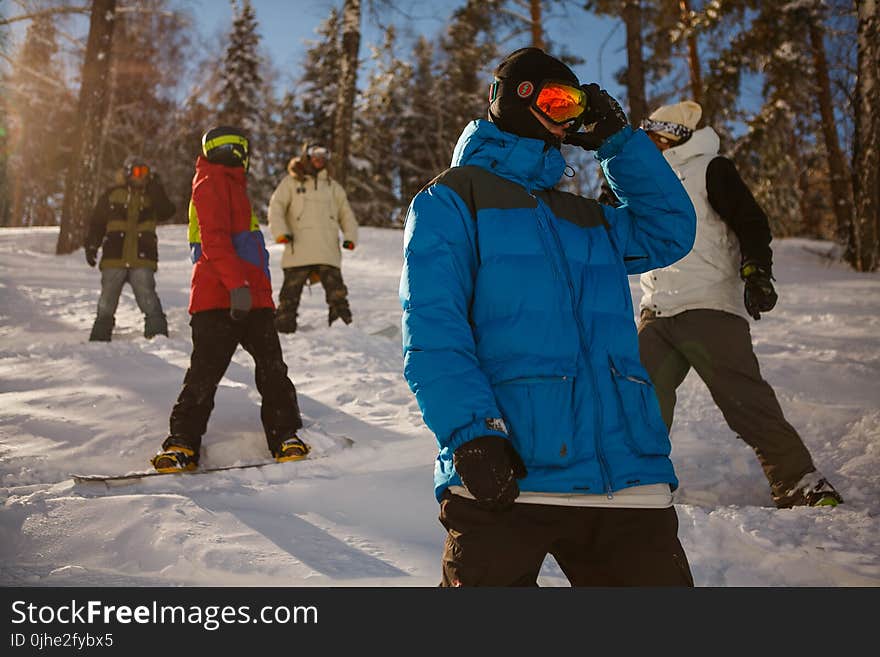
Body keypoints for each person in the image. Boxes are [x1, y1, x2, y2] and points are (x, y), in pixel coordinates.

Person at [399, 47, 698, 587]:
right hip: (508, 475)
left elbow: (670, 231)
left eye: (576, 107)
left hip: (626, 479)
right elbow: (433, 331)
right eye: (556, 101)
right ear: (511, 98)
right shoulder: (452, 198)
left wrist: (618, 143)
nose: (565, 119)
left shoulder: (589, 218)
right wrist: (471, 434)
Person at [636, 101, 844, 508]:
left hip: (707, 304)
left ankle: (800, 480)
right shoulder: (646, 179)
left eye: (653, 136)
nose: (647, 143)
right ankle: (641, 481)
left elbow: (751, 221)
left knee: (742, 398)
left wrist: (756, 270)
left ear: (672, 135)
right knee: (635, 395)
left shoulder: (711, 168)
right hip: (657, 309)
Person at [151, 126, 309, 473]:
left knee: (272, 371)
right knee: (204, 374)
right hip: (218, 300)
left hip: (252, 299)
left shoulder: (233, 187)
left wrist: (261, 296)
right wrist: (237, 286)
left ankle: (284, 435)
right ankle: (182, 442)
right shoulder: (210, 183)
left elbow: (248, 250)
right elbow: (214, 242)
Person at [268, 143, 359, 333]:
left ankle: (344, 330)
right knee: (289, 295)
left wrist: (350, 237)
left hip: (327, 250)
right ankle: (284, 329)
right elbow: (276, 208)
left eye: (323, 154)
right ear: (306, 156)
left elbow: (346, 214)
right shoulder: (291, 183)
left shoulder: (333, 188)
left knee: (337, 294)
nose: (319, 158)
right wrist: (280, 233)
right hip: (298, 248)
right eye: (314, 154)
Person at [84, 156, 175, 341]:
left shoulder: (152, 195)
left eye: (144, 172)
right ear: (127, 172)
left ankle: (158, 338)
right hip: (114, 257)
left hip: (142, 258)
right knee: (107, 302)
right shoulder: (112, 194)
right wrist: (92, 245)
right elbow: (97, 222)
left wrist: (156, 189)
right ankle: (99, 340)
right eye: (136, 172)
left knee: (148, 298)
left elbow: (167, 212)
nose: (140, 176)